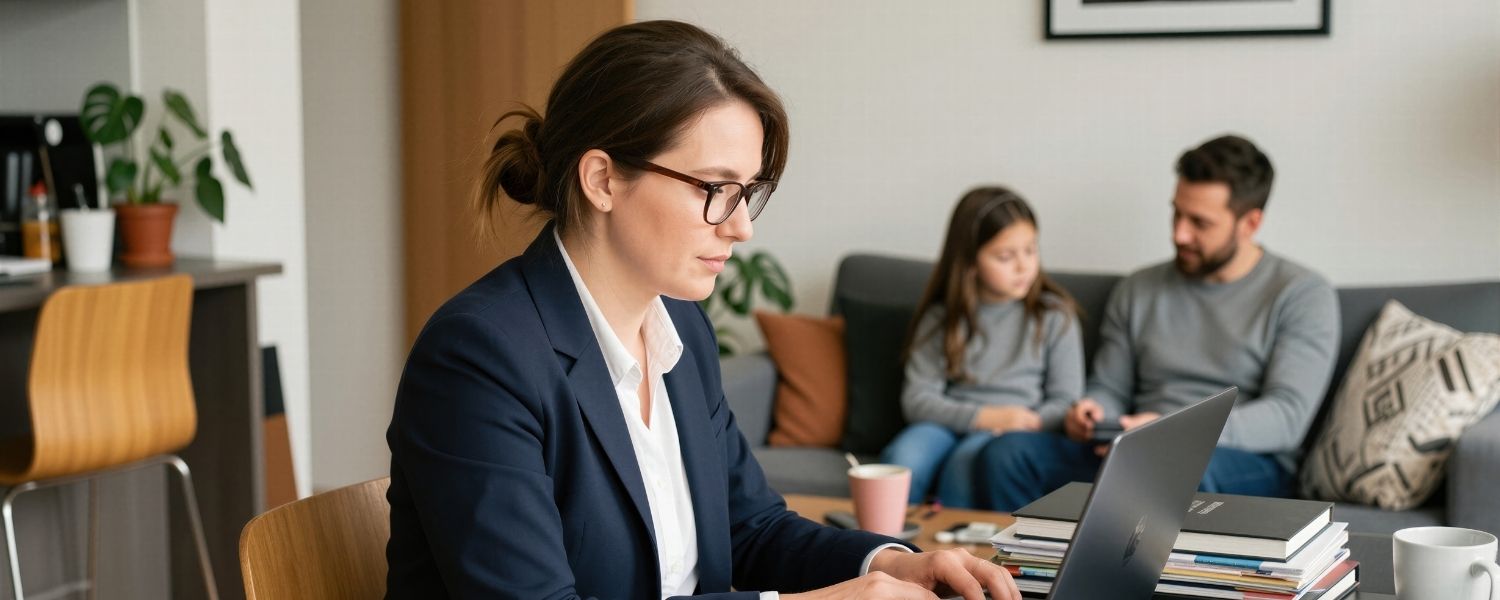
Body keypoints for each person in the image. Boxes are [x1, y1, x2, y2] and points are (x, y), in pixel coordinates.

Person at [384, 20, 1018, 600]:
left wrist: (888, 565)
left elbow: (751, 528)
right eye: (716, 189)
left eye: (748, 193)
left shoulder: (678, 326)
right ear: (602, 179)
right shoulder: (479, 356)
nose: (741, 227)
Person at [978, 135, 1340, 512]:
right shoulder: (1138, 289)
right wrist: (1092, 413)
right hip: (1134, 448)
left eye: (1199, 222)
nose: (1179, 234)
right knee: (1006, 454)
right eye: (1176, 213)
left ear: (1250, 223)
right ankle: (1025, 569)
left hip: (1239, 459)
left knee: (1179, 470)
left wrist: (1173, 430)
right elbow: (1110, 386)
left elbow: (1286, 416)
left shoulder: (1301, 295)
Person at [880, 187, 1084, 509]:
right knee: (904, 457)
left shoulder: (1054, 316)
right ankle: (883, 549)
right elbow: (918, 400)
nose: (1023, 266)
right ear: (970, 261)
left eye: (1031, 250)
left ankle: (954, 553)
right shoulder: (942, 318)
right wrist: (983, 416)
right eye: (1005, 256)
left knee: (966, 463)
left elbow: (1065, 400)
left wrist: (1023, 422)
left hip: (1012, 431)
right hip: (946, 424)